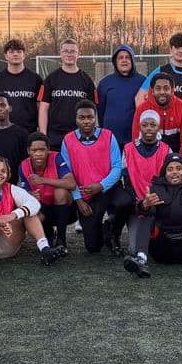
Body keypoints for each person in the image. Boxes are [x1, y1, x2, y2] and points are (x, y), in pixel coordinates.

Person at [0, 155, 67, 267]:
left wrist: (12, 216)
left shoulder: (12, 189)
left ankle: (45, 250)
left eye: (3, 171)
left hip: (9, 243)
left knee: (29, 212)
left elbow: (34, 203)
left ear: (7, 175)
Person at [61, 100, 129, 254]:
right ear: (76, 119)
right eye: (82, 117)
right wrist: (78, 200)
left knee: (126, 202)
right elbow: (67, 175)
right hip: (86, 194)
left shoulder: (108, 135)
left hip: (108, 188)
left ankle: (113, 230)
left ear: (95, 118)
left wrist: (101, 185)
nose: (86, 121)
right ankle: (102, 229)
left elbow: (117, 167)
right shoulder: (68, 140)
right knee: (93, 247)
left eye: (90, 117)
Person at [137, 34, 182, 148]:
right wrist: (148, 125)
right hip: (161, 133)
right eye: (176, 47)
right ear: (171, 50)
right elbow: (140, 97)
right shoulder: (160, 71)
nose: (180, 51)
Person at [19, 132, 76, 253]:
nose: (39, 154)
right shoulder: (23, 166)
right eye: (34, 150)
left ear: (48, 149)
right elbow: (23, 193)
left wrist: (43, 180)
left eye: (42, 150)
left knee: (60, 192)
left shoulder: (56, 158)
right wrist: (29, 194)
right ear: (29, 151)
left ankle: (61, 239)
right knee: (29, 223)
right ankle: (48, 232)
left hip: (63, 208)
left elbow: (71, 183)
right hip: (42, 207)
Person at [39, 39, 97, 147]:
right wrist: (43, 135)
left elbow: (93, 111)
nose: (69, 54)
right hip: (54, 136)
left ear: (78, 54)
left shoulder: (87, 80)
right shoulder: (51, 79)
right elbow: (43, 109)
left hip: (79, 135)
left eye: (73, 51)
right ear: (60, 54)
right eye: (66, 51)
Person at [0, 39, 44, 133]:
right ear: (6, 56)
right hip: (3, 133)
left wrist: (41, 132)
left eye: (19, 51)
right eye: (11, 52)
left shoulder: (36, 79)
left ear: (24, 55)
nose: (15, 54)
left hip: (29, 133)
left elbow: (40, 107)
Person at [136, 73, 182, 159]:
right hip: (149, 158)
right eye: (158, 88)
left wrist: (178, 164)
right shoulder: (142, 109)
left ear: (172, 90)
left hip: (176, 159)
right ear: (152, 91)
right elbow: (136, 139)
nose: (162, 92)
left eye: (166, 88)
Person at [97, 44, 146, 146]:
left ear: (132, 60)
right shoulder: (104, 83)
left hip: (135, 139)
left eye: (128, 57)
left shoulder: (143, 82)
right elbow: (100, 111)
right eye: (120, 58)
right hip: (111, 140)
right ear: (115, 61)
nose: (124, 60)